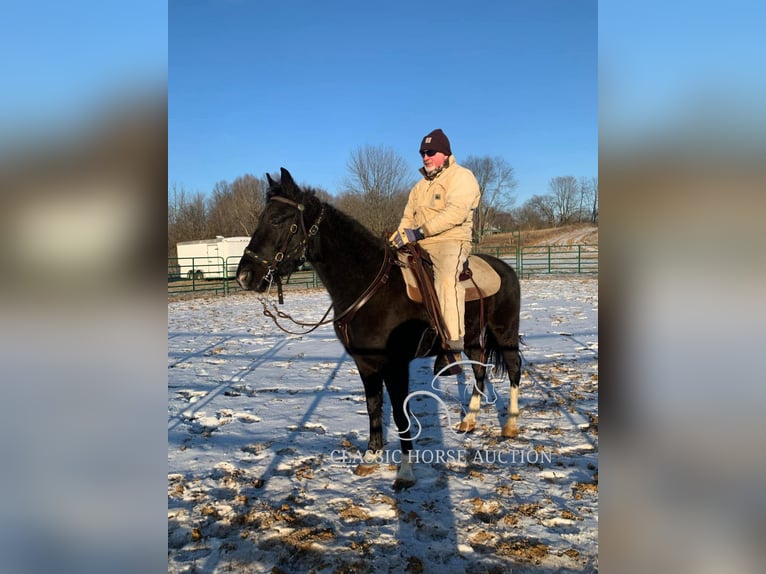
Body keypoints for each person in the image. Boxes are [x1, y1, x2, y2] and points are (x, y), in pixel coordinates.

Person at [389, 128, 481, 358]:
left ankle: (453, 342)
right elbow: (407, 218)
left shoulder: (462, 177)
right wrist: (394, 241)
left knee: (446, 280)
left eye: (430, 152)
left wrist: (420, 232)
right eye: (422, 153)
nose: (425, 157)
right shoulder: (419, 187)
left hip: (450, 241)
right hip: (420, 242)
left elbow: (456, 212)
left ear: (445, 153)